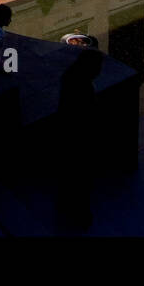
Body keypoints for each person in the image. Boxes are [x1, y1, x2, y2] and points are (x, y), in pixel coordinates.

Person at [55, 48, 106, 231]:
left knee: (71, 176)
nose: (100, 71)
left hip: (69, 139)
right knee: (79, 178)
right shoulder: (82, 88)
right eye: (98, 67)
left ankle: (66, 205)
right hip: (78, 142)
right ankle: (79, 213)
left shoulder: (71, 78)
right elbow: (84, 116)